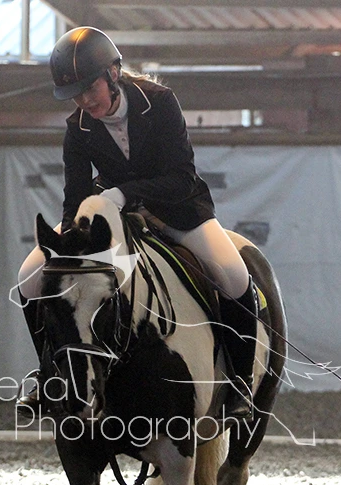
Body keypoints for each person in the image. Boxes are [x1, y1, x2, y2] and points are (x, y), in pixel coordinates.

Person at [17, 26, 257, 418]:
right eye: (75, 95)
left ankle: (241, 386)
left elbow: (182, 176)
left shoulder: (159, 103)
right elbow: (75, 197)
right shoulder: (78, 128)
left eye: (89, 89)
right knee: (28, 278)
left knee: (234, 276)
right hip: (111, 217)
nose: (84, 100)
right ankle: (50, 377)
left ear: (112, 73)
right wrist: (72, 241)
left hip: (178, 208)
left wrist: (126, 193)